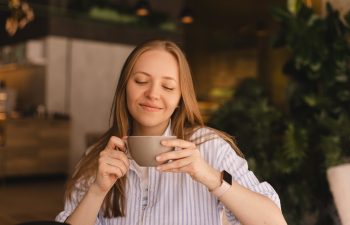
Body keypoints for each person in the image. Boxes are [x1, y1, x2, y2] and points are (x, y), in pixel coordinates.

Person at [56, 40, 287, 225]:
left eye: (167, 86)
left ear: (180, 98)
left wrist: (208, 175)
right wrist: (98, 190)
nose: (153, 94)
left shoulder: (210, 148)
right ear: (124, 88)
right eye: (141, 81)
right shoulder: (98, 158)